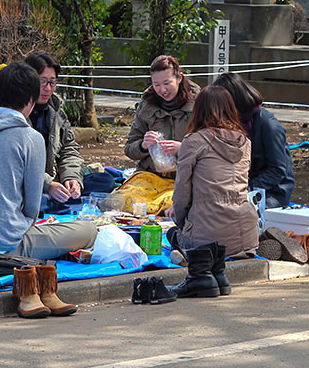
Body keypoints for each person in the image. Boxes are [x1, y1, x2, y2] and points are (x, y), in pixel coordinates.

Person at [0, 62, 95, 318]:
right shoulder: (31, 138)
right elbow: (32, 207)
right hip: (4, 244)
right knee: (88, 230)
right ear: (31, 101)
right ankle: (32, 285)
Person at [169, 86, 260, 298]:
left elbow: (181, 191)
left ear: (198, 110)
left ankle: (200, 276)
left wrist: (180, 221)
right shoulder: (244, 142)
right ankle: (218, 274)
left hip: (207, 232)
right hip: (245, 234)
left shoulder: (193, 141)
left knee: (173, 234)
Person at [0, 52, 84, 202]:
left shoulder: (56, 109)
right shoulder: (3, 115)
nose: (48, 88)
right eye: (42, 82)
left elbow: (69, 149)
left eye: (52, 82)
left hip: (49, 186)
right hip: (15, 193)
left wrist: (72, 178)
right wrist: (48, 185)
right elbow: (16, 165)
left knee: (101, 180)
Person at [211, 72, 295, 208]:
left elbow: (278, 170)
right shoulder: (234, 123)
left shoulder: (268, 125)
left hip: (273, 192)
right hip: (246, 187)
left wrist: (247, 187)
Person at [124, 55, 200, 176]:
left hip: (189, 176)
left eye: (167, 83)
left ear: (179, 78)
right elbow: (129, 149)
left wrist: (184, 148)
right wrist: (143, 146)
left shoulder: (199, 104)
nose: (163, 90)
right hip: (151, 175)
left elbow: (212, 149)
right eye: (157, 85)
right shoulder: (146, 105)